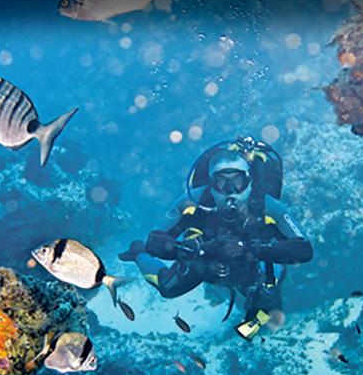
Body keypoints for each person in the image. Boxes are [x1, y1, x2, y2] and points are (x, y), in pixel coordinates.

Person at [119, 137, 313, 339]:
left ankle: (253, 313)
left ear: (249, 182)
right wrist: (190, 249)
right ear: (211, 184)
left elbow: (304, 249)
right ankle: (136, 253)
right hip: (204, 262)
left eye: (237, 181)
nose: (230, 191)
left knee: (270, 306)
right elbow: (154, 241)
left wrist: (249, 248)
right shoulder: (192, 201)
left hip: (252, 263)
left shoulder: (268, 206)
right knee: (167, 288)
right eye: (221, 182)